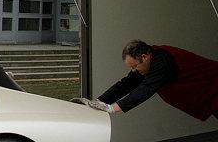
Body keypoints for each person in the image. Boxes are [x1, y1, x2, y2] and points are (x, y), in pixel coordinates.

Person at [81, 40, 218, 121]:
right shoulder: (146, 64)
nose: (134, 70)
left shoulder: (162, 62)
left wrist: (111, 108)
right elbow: (126, 84)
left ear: (145, 57)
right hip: (210, 94)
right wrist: (99, 102)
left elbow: (145, 89)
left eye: (134, 66)